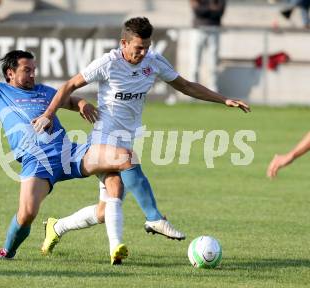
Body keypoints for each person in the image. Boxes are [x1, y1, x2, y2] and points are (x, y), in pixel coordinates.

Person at [33, 16, 250, 256]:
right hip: (102, 138)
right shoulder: (108, 63)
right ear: (123, 43)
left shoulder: (154, 61)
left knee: (107, 209)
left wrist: (223, 99)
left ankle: (58, 227)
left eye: (146, 47)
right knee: (127, 158)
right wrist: (49, 114)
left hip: (126, 137)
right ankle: (154, 218)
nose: (143, 53)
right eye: (138, 48)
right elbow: (69, 85)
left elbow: (186, 86)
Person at [0, 10, 135, 265]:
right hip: (37, 162)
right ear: (10, 74)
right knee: (26, 215)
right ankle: (8, 251)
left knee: (119, 161)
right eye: (26, 70)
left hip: (69, 153)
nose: (32, 75)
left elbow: (70, 99)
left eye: (34, 70)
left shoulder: (44, 91)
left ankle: (134, 229)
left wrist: (82, 103)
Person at [189, 0, 226, 92]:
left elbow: (219, 12)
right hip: (198, 29)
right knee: (195, 61)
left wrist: (205, 8)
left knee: (213, 62)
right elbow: (198, 11)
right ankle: (192, 89)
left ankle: (213, 89)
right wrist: (211, 8)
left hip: (214, 29)